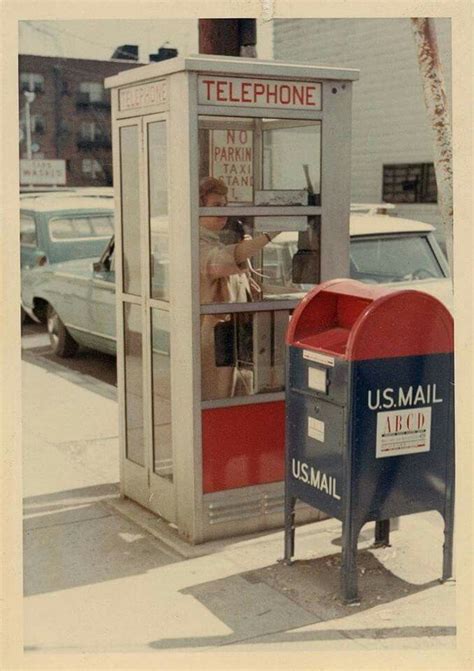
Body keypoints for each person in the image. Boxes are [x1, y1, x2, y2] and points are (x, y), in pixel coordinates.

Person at [199, 177, 278, 400]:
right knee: (219, 395)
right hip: (215, 338)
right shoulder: (197, 244)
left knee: (235, 396)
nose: (222, 212)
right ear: (198, 208)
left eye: (225, 206)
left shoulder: (217, 240)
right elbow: (221, 262)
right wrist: (269, 235)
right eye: (215, 206)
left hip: (234, 336)